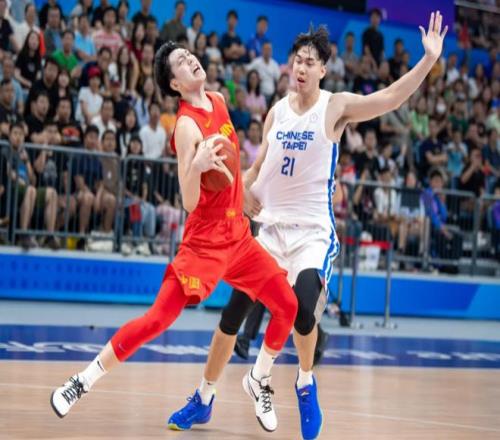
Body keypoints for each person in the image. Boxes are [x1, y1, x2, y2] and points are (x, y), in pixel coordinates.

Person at [174, 13, 448, 439]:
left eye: (309, 62)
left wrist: (428, 60)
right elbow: (256, 172)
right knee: (232, 314)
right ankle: (204, 397)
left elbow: (391, 97)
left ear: (323, 69)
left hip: (312, 234)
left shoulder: (334, 107)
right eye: (297, 60)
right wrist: (232, 194)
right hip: (270, 231)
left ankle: (302, 382)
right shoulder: (276, 113)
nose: (301, 67)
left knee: (303, 309)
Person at [50, 42, 298, 436]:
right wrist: (196, 166)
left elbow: (230, 169)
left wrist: (243, 190)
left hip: (238, 237)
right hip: (204, 243)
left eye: (189, 54)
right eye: (181, 61)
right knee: (157, 320)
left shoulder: (219, 100)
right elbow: (189, 200)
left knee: (287, 305)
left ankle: (258, 379)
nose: (191, 59)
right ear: (174, 83)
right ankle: (83, 380)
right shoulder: (185, 126)